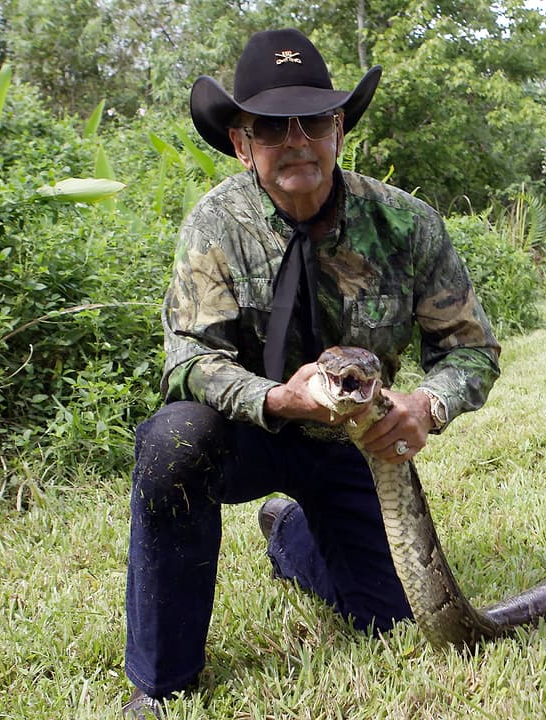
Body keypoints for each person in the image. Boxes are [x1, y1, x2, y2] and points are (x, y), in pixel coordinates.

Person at [121, 28, 501, 718]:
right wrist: (277, 398)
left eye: (314, 122)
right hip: (248, 432)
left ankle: (289, 534)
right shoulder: (215, 225)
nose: (296, 141)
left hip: (354, 442)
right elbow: (189, 360)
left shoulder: (407, 223)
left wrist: (426, 406)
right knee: (173, 439)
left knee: (393, 618)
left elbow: (471, 349)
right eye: (272, 127)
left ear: (338, 132)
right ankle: (162, 683)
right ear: (242, 144)